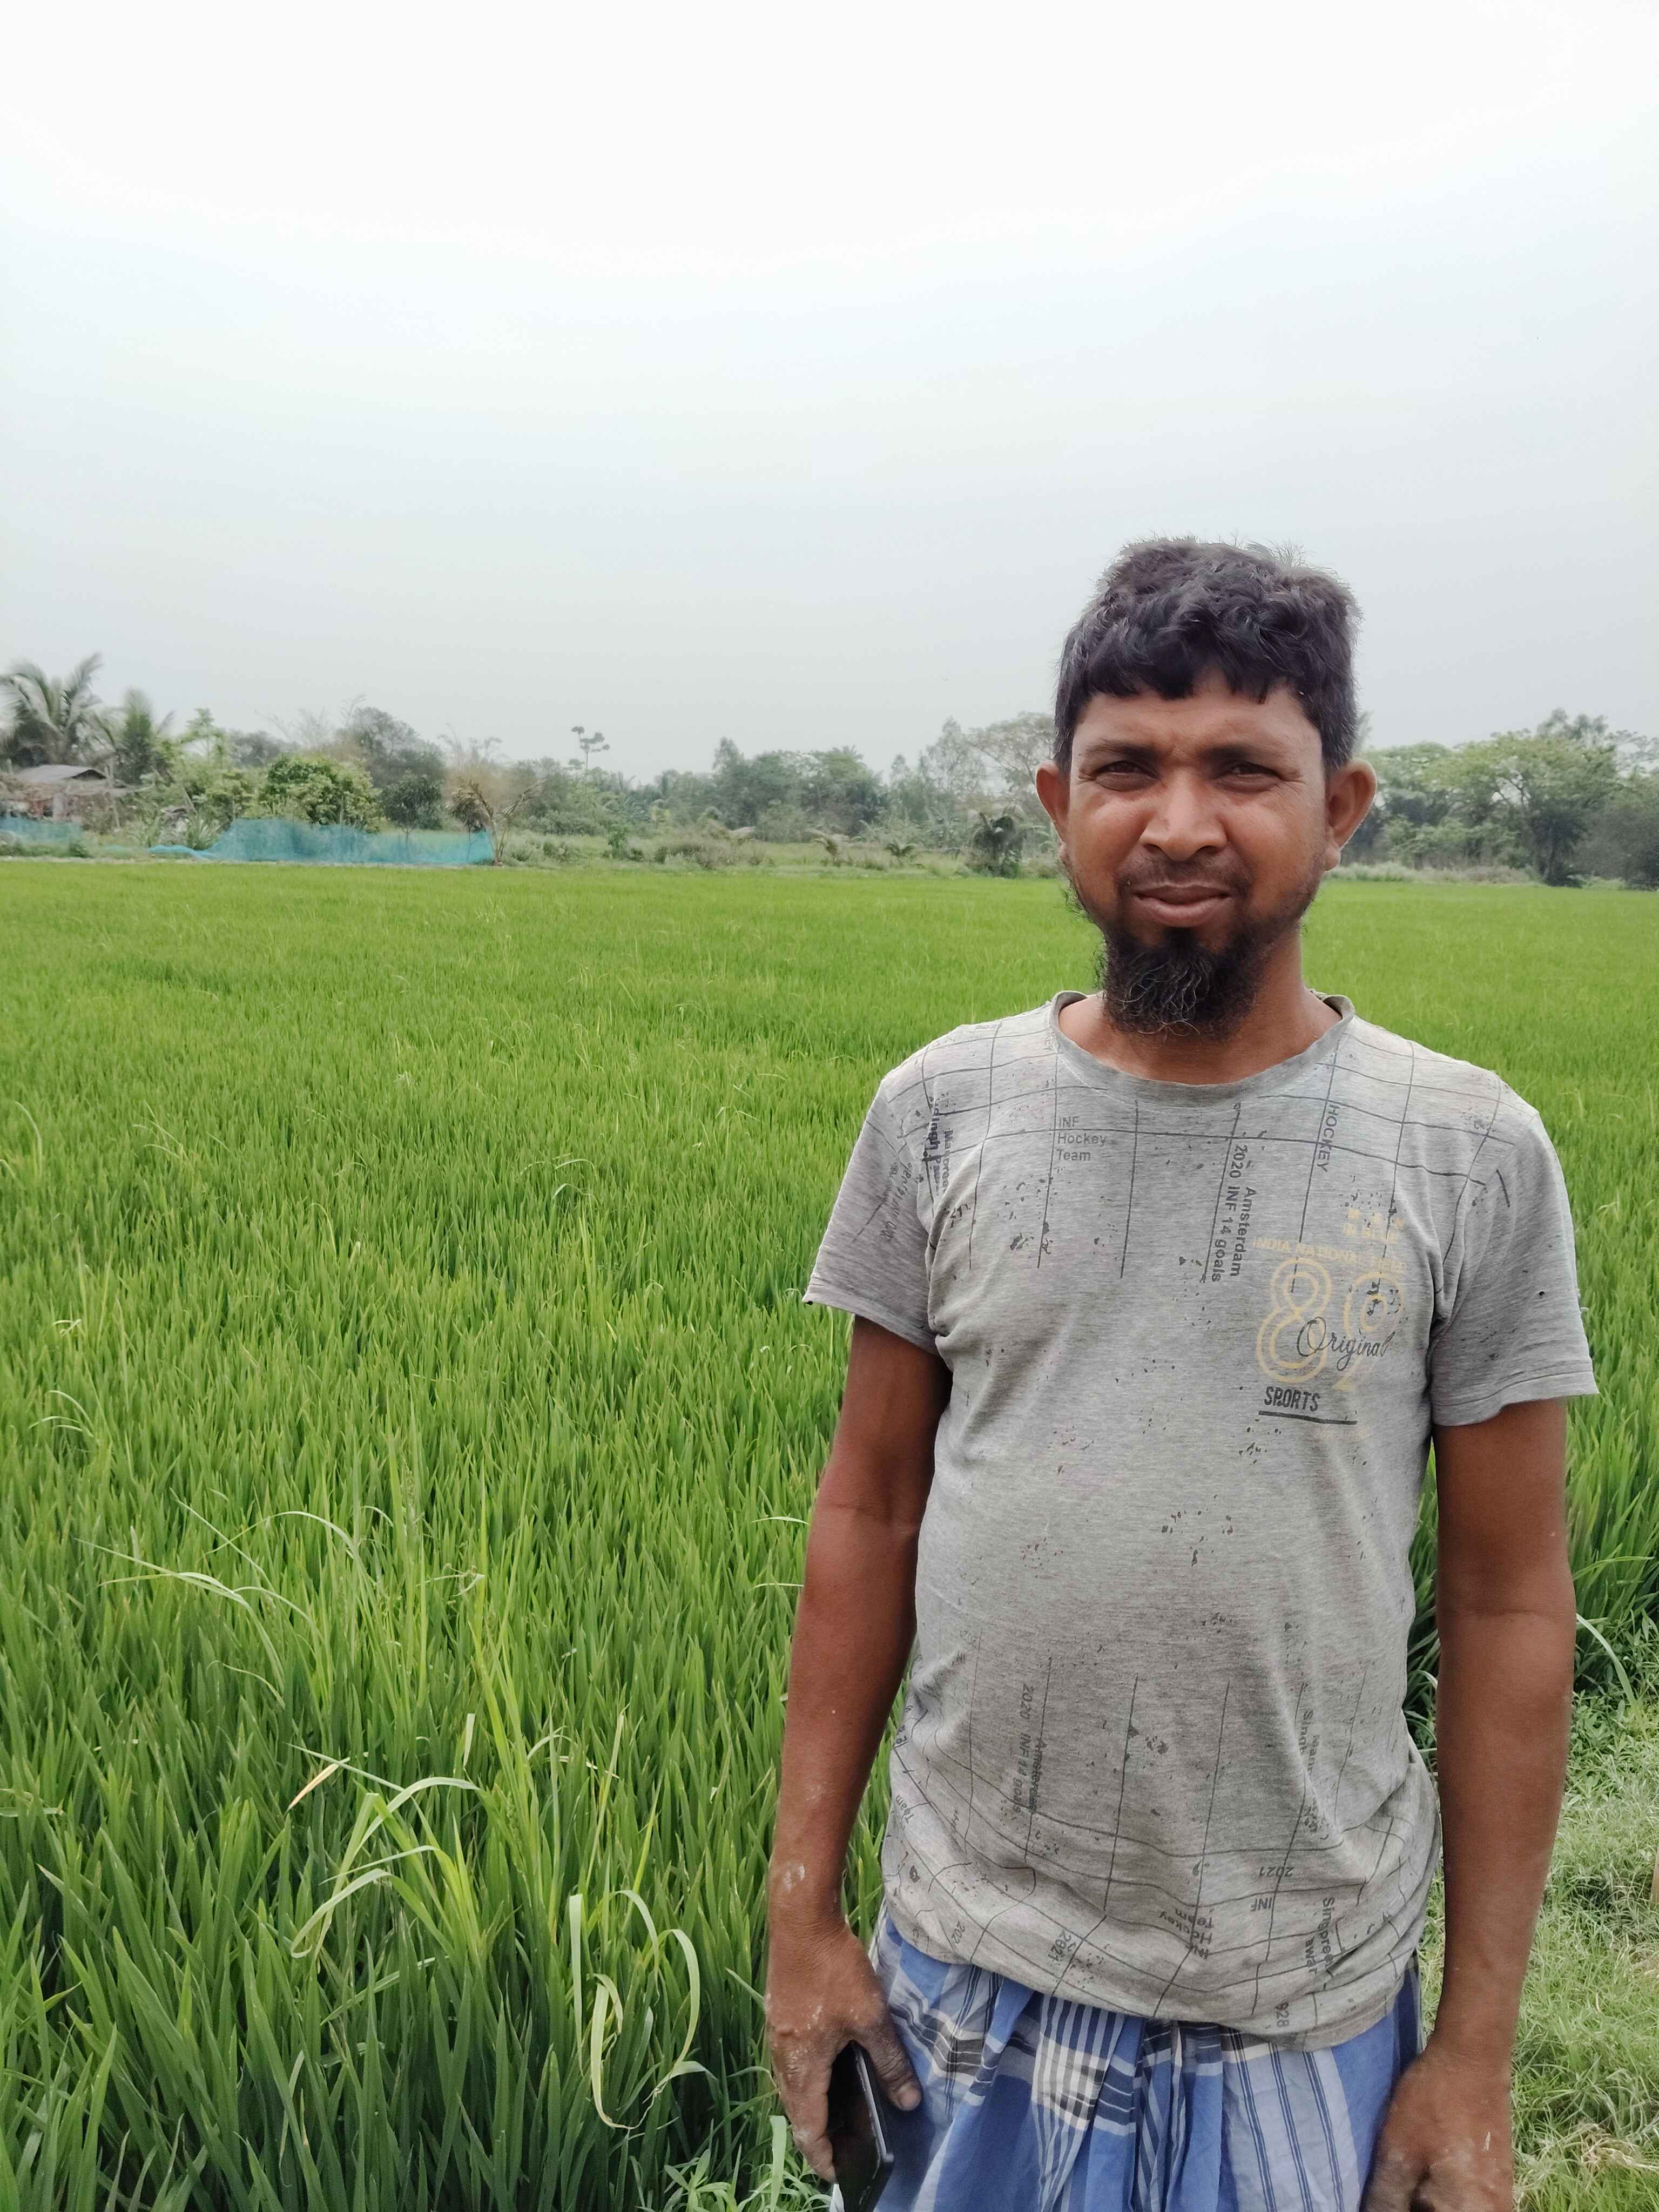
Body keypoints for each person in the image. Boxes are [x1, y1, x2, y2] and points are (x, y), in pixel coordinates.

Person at [764, 539, 1597, 2211]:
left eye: (1243, 769)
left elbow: (1510, 1601)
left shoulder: (1467, 1151)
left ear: (1341, 807)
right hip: (960, 1983)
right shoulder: (940, 1114)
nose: (1180, 822)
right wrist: (802, 1915)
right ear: (1057, 801)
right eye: (1128, 767)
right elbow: (871, 1509)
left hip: (1299, 2012)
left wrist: (1476, 2050)